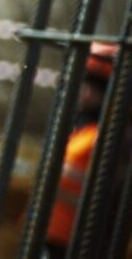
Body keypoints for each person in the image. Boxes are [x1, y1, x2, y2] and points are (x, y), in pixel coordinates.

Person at [45, 42, 125, 258]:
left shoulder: (106, 138)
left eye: (90, 84)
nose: (82, 92)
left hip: (79, 244)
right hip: (52, 234)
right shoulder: (80, 130)